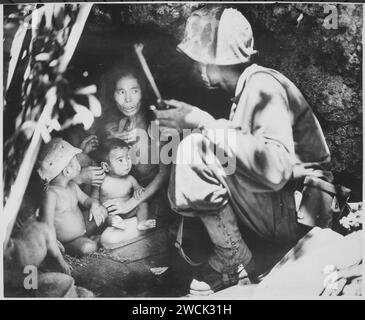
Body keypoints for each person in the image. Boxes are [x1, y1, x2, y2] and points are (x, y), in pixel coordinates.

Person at [151, 6, 332, 295]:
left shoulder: (263, 86)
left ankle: (234, 260)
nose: (197, 68)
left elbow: (275, 169)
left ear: (215, 62)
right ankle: (238, 256)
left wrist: (201, 122)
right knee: (198, 143)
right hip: (284, 207)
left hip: (299, 215)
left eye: (200, 60)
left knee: (195, 148)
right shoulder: (247, 88)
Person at [97, 64, 170, 245]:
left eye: (134, 91)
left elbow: (164, 174)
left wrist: (130, 205)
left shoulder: (157, 122)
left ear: (142, 93)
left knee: (108, 239)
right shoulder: (110, 125)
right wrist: (113, 143)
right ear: (112, 95)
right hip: (126, 194)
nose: (128, 100)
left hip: (154, 196)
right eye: (121, 92)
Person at [37, 138, 108, 257]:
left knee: (103, 211)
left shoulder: (72, 186)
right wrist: (53, 243)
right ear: (67, 171)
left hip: (83, 227)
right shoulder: (51, 194)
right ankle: (94, 241)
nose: (79, 163)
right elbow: (46, 224)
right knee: (87, 248)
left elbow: (86, 200)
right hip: (69, 241)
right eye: (75, 160)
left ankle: (92, 238)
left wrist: (94, 206)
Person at [93, 138, 156, 243]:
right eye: (120, 160)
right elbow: (94, 198)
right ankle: (114, 224)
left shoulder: (130, 179)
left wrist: (138, 189)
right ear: (106, 166)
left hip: (129, 211)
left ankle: (141, 222)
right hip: (110, 213)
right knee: (105, 215)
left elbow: (139, 188)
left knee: (143, 203)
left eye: (128, 157)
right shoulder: (101, 180)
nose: (127, 163)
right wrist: (97, 207)